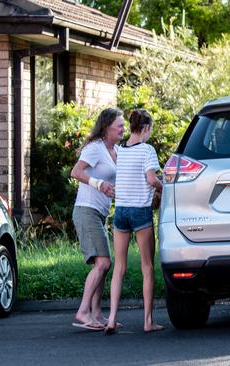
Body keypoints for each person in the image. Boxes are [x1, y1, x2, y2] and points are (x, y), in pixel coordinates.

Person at [106, 109, 164, 334]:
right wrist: (163, 186)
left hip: (121, 211)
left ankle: (111, 318)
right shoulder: (147, 150)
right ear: (146, 128)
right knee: (147, 267)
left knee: (119, 267)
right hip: (140, 212)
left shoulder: (120, 151)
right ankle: (148, 321)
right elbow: (151, 179)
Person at [70, 108, 125, 331]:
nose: (123, 129)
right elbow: (76, 172)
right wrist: (98, 184)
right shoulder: (95, 148)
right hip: (86, 209)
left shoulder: (117, 151)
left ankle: (96, 314)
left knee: (102, 265)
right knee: (103, 263)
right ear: (106, 127)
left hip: (100, 213)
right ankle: (83, 311)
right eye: (119, 125)